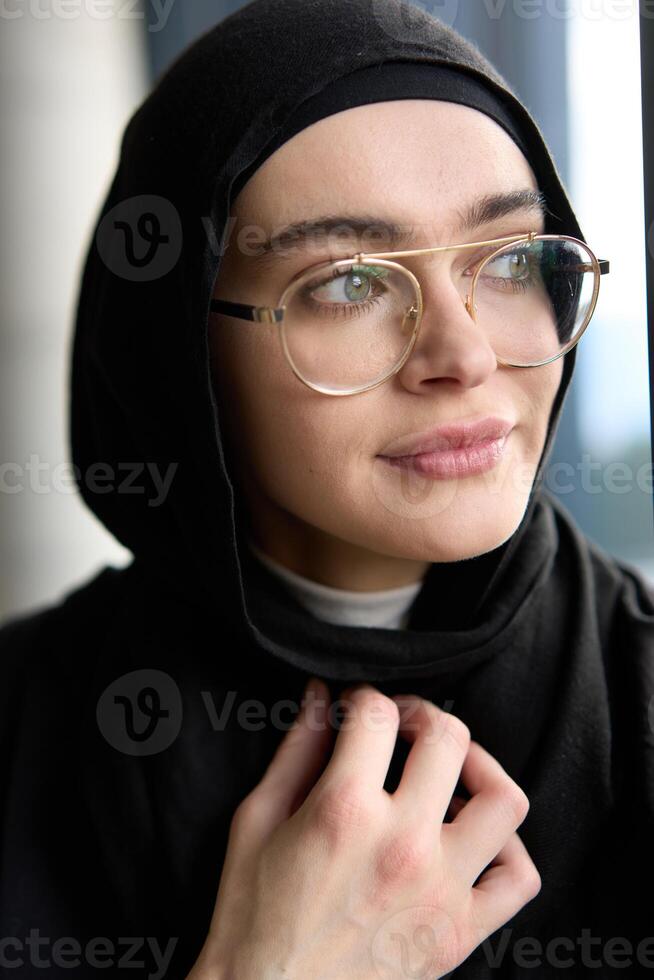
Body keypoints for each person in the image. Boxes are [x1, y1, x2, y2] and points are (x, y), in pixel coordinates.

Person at [1, 0, 652, 977]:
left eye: (511, 259)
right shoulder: (22, 729)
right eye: (350, 282)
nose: (465, 355)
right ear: (178, 352)